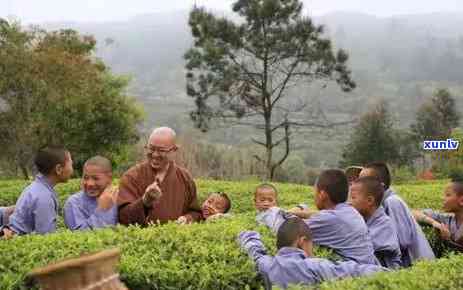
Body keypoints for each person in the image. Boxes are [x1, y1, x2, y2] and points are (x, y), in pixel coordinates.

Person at [259, 169, 379, 265]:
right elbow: (317, 214)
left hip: (355, 273)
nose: (314, 196)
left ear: (322, 195)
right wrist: (297, 210)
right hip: (369, 268)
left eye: (315, 191)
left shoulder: (330, 219)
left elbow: (283, 228)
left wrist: (272, 210)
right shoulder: (349, 211)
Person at [238, 217, 387, 289]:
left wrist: (247, 234)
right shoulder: (314, 266)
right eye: (311, 245)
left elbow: (254, 250)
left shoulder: (267, 265)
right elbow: (354, 270)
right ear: (302, 241)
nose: (313, 251)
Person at [117, 127, 202, 226]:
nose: (155, 155)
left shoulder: (185, 178)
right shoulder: (132, 177)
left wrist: (188, 218)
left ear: (174, 150)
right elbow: (122, 217)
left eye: (161, 151)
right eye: (151, 149)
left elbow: (196, 212)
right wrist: (145, 202)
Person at [359, 162, 435, 266]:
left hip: (417, 265)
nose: (359, 184)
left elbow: (403, 241)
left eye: (364, 180)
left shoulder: (392, 202)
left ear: (380, 185)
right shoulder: (380, 203)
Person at [1, 146, 73, 238]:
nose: (72, 169)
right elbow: (46, 237)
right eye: (71, 164)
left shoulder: (36, 188)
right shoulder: (44, 197)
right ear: (58, 169)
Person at [349, 176, 402, 268]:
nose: (349, 202)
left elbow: (360, 246)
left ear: (369, 200)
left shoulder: (384, 224)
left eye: (353, 198)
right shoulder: (363, 219)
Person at [63, 156, 118, 231]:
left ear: (109, 178)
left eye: (96, 178)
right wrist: (101, 209)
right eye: (85, 178)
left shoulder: (118, 197)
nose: (89, 183)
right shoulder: (73, 203)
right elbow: (79, 235)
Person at [413, 174, 463, 246]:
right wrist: (433, 222)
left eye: (448, 195)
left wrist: (448, 240)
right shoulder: (446, 219)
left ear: (461, 200)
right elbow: (413, 213)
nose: (443, 198)